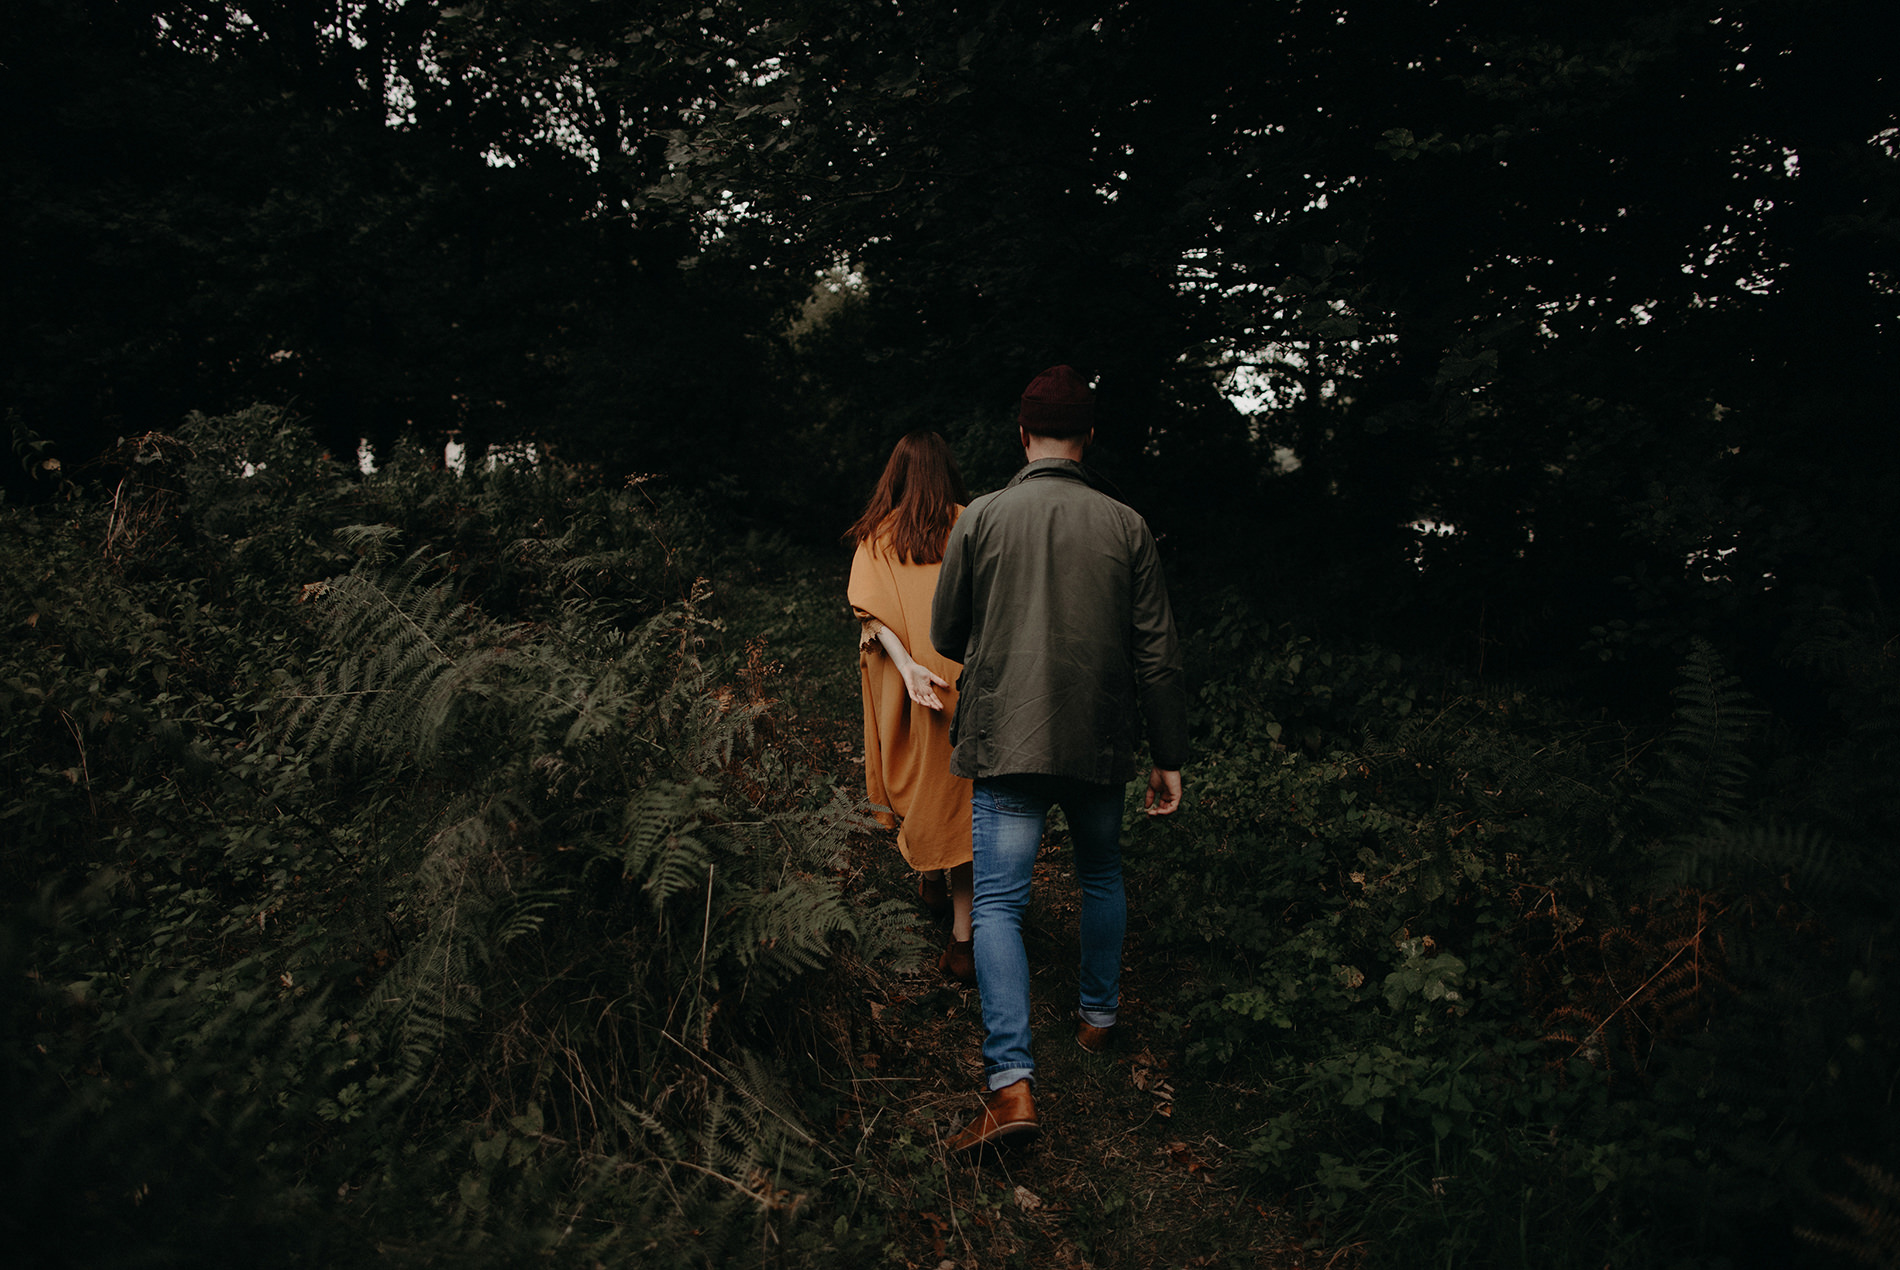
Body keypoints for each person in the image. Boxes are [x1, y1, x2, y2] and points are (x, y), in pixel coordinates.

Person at [930, 365, 1188, 1155]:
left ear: (1022, 434)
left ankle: (1010, 1088)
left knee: (1000, 904)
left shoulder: (981, 518)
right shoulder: (1128, 525)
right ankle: (1097, 1022)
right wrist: (1168, 755)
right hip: (1098, 739)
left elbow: (945, 635)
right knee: (1101, 875)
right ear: (1090, 437)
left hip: (1008, 736)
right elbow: (1158, 655)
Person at [846, 431, 977, 982]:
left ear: (895, 476)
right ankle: (963, 941)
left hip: (915, 685)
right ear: (947, 473)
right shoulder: (973, 521)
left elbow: (870, 618)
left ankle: (929, 879)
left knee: (923, 786)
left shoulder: (878, 538)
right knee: (963, 804)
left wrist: (906, 668)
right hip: (968, 683)